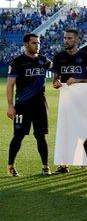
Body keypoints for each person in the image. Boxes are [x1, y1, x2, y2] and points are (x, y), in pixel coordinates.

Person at [6, 33, 52, 177]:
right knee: (18, 136)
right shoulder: (17, 62)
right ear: (26, 44)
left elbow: (58, 69)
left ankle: (45, 166)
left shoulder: (44, 60)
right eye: (34, 43)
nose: (37, 45)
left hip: (39, 105)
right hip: (22, 106)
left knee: (41, 136)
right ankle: (10, 166)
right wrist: (10, 105)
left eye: (38, 43)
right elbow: (10, 85)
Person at [52, 29, 87, 174]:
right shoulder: (59, 57)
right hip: (67, 102)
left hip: (84, 100)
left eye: (69, 38)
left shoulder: (86, 57)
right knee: (66, 132)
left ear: (76, 40)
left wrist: (77, 80)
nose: (66, 40)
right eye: (65, 38)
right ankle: (64, 165)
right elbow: (55, 80)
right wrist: (57, 82)